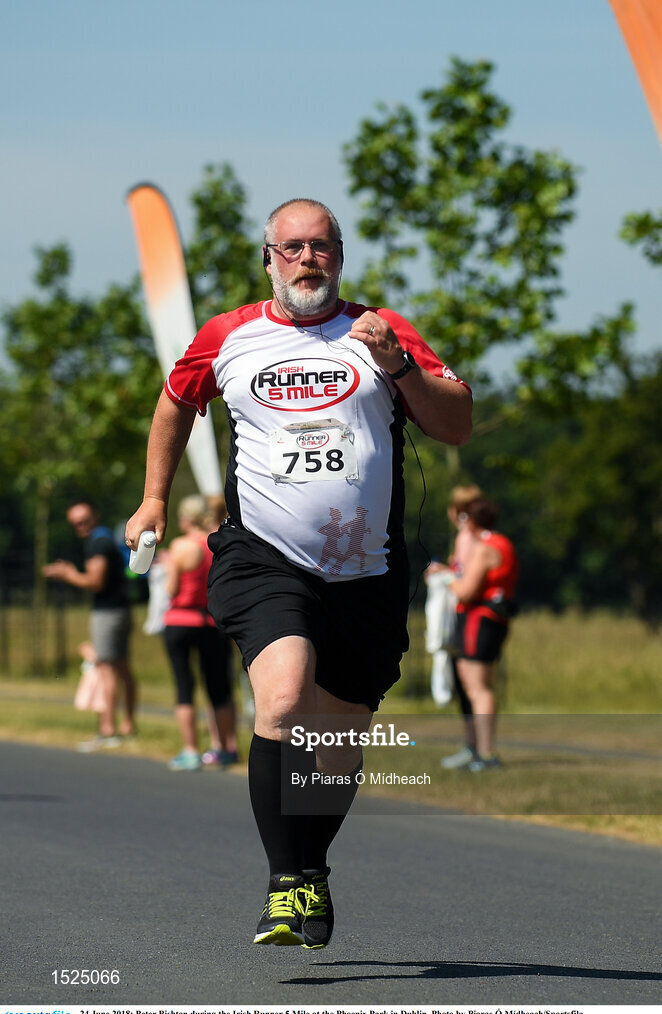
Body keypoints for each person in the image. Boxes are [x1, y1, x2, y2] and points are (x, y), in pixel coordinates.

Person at [125, 198, 472, 949]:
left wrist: (398, 365)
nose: (307, 259)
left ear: (339, 256)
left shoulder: (382, 331)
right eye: (292, 248)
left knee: (341, 737)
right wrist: (154, 497)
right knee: (282, 699)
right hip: (265, 558)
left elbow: (456, 425)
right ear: (269, 258)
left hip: (368, 569)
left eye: (321, 247)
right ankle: (286, 884)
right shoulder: (227, 336)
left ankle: (310, 871)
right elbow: (173, 405)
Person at [44, 500, 137, 750]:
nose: (81, 526)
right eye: (76, 523)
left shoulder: (98, 543)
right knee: (122, 668)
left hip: (107, 613)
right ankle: (127, 725)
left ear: (94, 516)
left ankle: (108, 729)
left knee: (106, 670)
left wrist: (67, 574)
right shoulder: (105, 540)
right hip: (121, 610)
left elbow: (95, 581)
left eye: (84, 520)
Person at [163, 493, 238, 771]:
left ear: (185, 518)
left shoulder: (181, 546)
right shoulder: (216, 543)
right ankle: (227, 746)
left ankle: (191, 749)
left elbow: (171, 589)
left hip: (181, 619)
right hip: (211, 621)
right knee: (219, 687)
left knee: (185, 686)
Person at [445, 497, 519, 772]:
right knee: (473, 687)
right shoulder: (502, 542)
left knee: (479, 689)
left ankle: (486, 753)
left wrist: (446, 578)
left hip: (481, 620)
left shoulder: (486, 548)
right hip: (490, 620)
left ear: (471, 521)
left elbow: (466, 590)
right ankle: (476, 749)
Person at [425, 484, 483, 768]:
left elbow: (466, 576)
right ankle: (473, 745)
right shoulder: (475, 536)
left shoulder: (466, 537)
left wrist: (443, 573)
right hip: (467, 616)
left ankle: (475, 746)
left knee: (468, 685)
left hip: (465, 616)